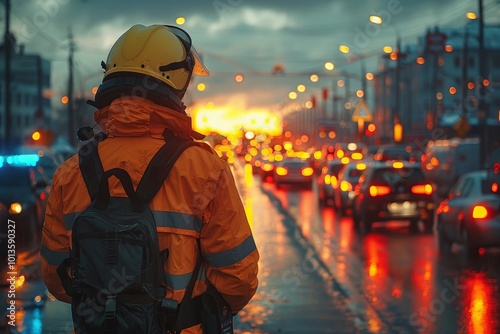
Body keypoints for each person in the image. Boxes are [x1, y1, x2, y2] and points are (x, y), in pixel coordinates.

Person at [40, 24, 259, 333]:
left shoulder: (71, 172)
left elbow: (56, 278)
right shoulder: (203, 168)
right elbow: (238, 278)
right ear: (176, 86)